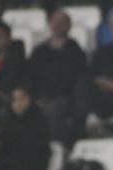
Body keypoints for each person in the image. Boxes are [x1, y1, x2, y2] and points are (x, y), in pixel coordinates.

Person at [27, 8, 88, 143]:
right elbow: (31, 78)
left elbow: (77, 82)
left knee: (53, 110)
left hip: (65, 100)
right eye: (54, 21)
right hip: (39, 99)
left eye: (62, 22)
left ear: (69, 26)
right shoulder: (38, 52)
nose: (58, 25)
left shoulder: (76, 52)